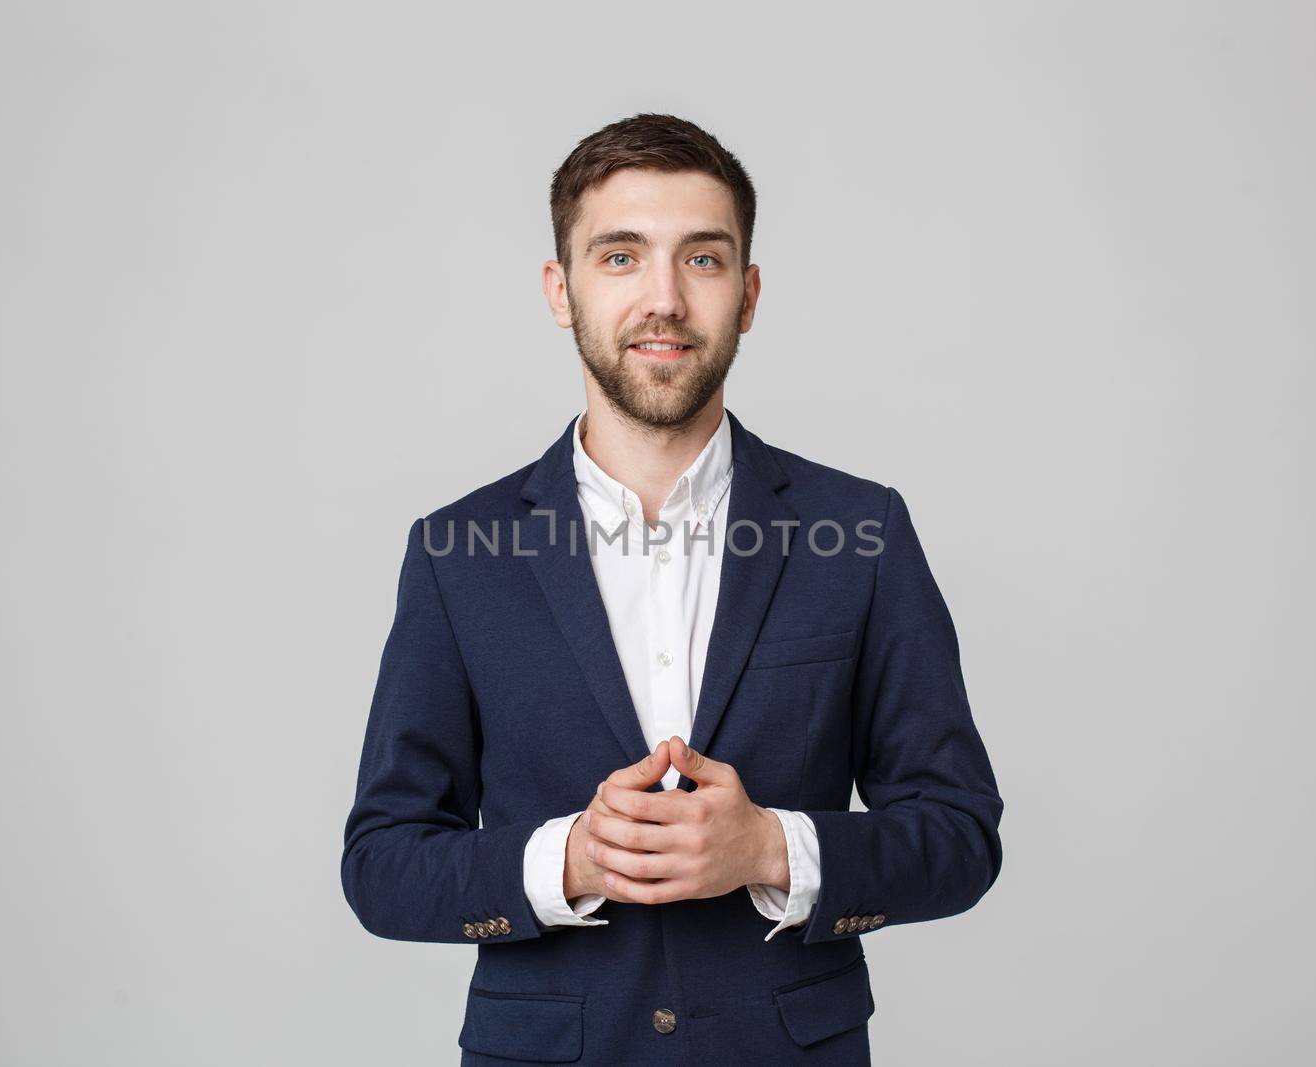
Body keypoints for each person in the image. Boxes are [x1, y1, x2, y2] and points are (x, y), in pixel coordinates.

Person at [340, 113, 1004, 1065]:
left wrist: (772, 849)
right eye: (619, 257)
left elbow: (960, 835)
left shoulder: (863, 531)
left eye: (702, 259)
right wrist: (565, 861)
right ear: (559, 290)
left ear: (749, 293)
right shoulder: (458, 553)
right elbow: (381, 864)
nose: (664, 299)